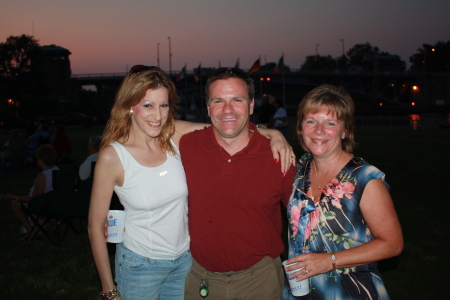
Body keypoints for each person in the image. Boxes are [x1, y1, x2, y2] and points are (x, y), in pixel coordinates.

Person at [88, 65, 293, 300]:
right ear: (129, 107)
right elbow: (95, 226)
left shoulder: (172, 138)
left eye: (163, 105)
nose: (157, 115)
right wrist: (109, 290)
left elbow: (226, 126)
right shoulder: (112, 156)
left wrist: (270, 133)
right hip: (140, 264)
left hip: (184, 263)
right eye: (148, 105)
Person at [180, 67, 297, 299]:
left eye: (237, 100)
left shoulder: (279, 157)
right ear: (208, 107)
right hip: (202, 281)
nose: (227, 110)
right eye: (218, 101)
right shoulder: (188, 146)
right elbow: (149, 127)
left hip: (259, 281)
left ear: (251, 105)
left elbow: (305, 221)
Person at [283, 84, 403, 299]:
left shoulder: (364, 178)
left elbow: (392, 244)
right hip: (300, 290)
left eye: (330, 123)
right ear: (301, 127)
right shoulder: (300, 169)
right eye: (311, 121)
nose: (319, 131)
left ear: (345, 129)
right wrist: (270, 132)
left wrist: (329, 260)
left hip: (350, 290)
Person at [1, 144, 59, 239]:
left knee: (15, 203)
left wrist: (13, 197)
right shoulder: (57, 170)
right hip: (53, 203)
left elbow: (34, 199)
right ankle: (38, 227)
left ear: (40, 159)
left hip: (43, 206)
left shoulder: (43, 176)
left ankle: (32, 231)